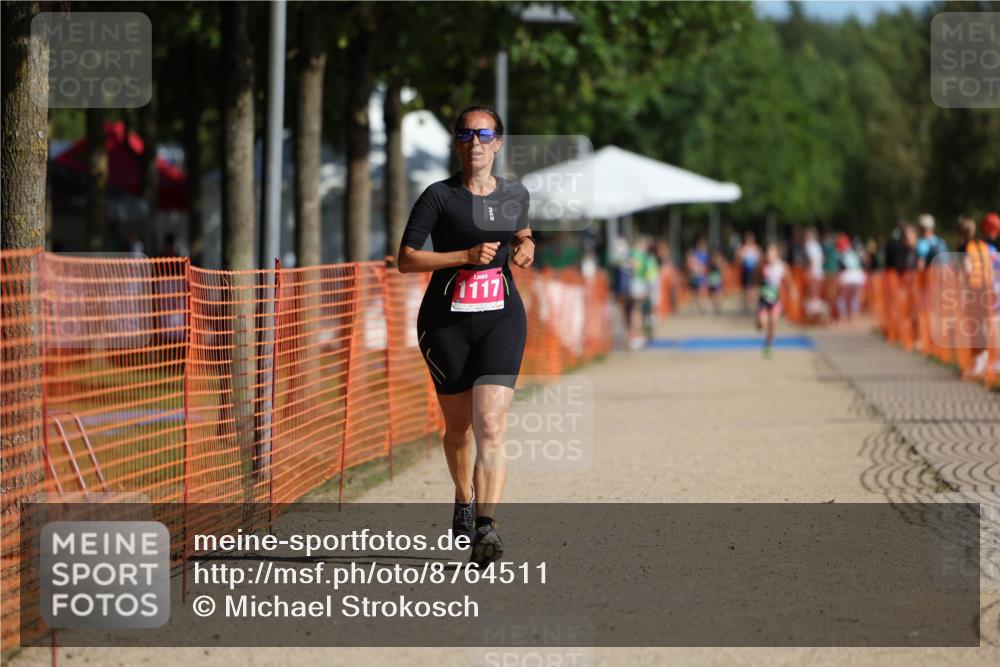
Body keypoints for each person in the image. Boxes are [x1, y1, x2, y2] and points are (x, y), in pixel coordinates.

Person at [397, 106, 533, 567]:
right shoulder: (438, 197)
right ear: (457, 143)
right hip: (445, 323)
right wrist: (464, 256)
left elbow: (521, 232)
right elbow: (407, 259)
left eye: (484, 133)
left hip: (501, 317)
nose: (475, 141)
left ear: (497, 142)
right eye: (466, 133)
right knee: (459, 430)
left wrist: (526, 245)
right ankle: (463, 497)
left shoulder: (514, 194)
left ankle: (487, 528)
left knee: (491, 425)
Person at [955, 217, 996, 380]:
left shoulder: (965, 248)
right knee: (984, 325)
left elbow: (967, 269)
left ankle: (979, 362)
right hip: (987, 287)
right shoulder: (983, 246)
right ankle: (984, 360)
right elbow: (990, 268)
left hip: (974, 290)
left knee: (975, 327)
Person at [756, 243, 798, 358]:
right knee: (762, 324)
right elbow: (757, 280)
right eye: (768, 253)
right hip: (764, 300)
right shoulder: (763, 266)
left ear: (776, 254)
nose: (769, 255)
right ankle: (758, 322)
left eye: (771, 253)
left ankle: (768, 345)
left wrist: (792, 291)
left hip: (776, 299)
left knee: (773, 323)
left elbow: (788, 281)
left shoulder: (782, 266)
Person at [835, 233, 866, 323]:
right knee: (854, 297)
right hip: (858, 276)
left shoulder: (841, 254)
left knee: (842, 297)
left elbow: (841, 267)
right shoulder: (853, 252)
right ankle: (854, 314)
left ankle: (844, 315)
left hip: (847, 276)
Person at [736, 231, 761, 313]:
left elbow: (760, 259)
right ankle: (747, 304)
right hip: (746, 271)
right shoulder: (744, 248)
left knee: (754, 287)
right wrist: (739, 252)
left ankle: (756, 303)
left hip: (754, 270)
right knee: (746, 288)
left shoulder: (756, 248)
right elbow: (739, 260)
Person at [686, 238, 710, 312]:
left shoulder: (705, 254)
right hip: (694, 275)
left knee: (700, 291)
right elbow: (690, 263)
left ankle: (700, 306)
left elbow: (706, 265)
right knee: (694, 291)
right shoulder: (694, 253)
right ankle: (695, 306)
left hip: (701, 276)